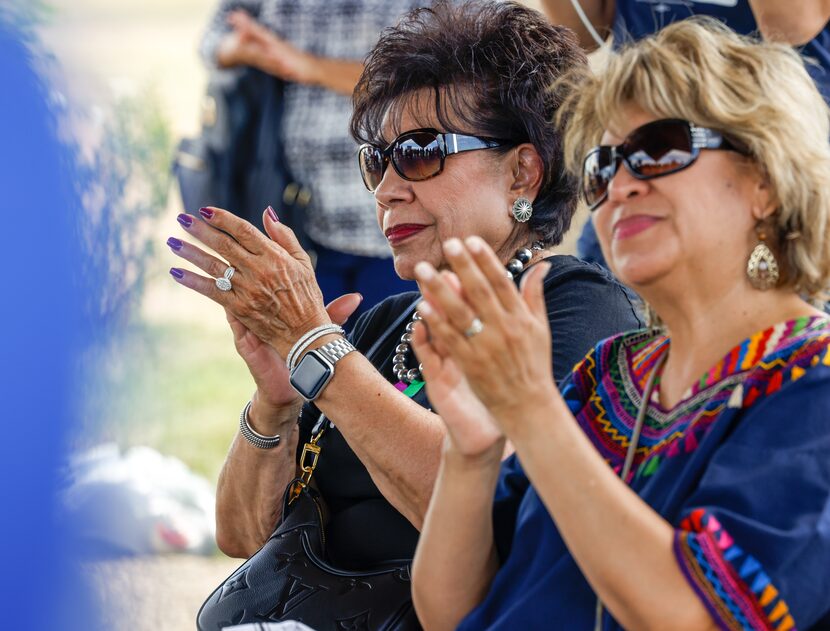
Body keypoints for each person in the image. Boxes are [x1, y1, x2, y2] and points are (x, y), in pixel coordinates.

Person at [168, 0, 642, 577]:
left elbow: (496, 519)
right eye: (377, 160)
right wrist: (276, 402)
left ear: (522, 172)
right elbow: (243, 535)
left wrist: (315, 345)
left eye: (420, 154)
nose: (387, 189)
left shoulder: (574, 305)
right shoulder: (383, 322)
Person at [410, 18, 830, 630]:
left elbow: (693, 618)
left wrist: (530, 409)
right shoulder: (607, 375)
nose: (623, 186)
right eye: (604, 168)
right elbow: (450, 613)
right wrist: (471, 452)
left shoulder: (813, 386)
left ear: (764, 179)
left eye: (659, 150)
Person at [539, 0, 830, 267]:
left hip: (751, 151)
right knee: (610, 295)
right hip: (637, 148)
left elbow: (788, 26)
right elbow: (583, 32)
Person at [200, 0, 425, 320]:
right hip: (301, 224)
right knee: (309, 362)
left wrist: (309, 67)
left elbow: (456, 69)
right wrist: (252, 51)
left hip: (402, 229)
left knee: (389, 363)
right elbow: (211, 41)